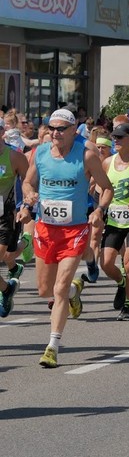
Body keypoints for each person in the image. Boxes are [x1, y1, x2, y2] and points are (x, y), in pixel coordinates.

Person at [19, 109, 113, 368]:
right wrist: (28, 199)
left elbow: (107, 188)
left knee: (58, 289)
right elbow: (28, 182)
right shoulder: (40, 153)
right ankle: (74, 292)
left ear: (74, 130)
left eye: (61, 128)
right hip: (45, 228)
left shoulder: (86, 156)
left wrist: (99, 210)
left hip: (75, 229)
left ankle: (52, 346)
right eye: (52, 128)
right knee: (44, 290)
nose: (55, 133)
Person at [99, 123, 129, 320]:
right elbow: (104, 189)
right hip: (113, 219)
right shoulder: (107, 163)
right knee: (106, 263)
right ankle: (121, 283)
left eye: (120, 137)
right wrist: (99, 210)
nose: (116, 141)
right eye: (114, 137)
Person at [0, 117, 29, 316]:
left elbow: (29, 183)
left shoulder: (14, 157)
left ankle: (25, 243)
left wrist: (25, 206)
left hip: (5, 216)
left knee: (6, 254)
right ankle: (7, 288)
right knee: (7, 256)